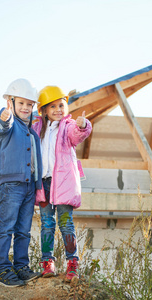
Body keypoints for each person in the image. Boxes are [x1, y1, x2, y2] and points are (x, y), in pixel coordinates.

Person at [32, 86, 92, 283]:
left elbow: (78, 135)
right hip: (44, 185)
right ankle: (47, 262)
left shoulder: (68, 126)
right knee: (47, 225)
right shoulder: (37, 128)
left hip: (64, 185)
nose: (58, 109)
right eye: (53, 106)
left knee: (66, 223)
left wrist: (83, 125)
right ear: (44, 110)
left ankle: (72, 263)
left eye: (61, 105)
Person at [0, 78, 43, 287]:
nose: (25, 108)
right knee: (6, 227)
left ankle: (21, 267)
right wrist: (4, 117)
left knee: (23, 230)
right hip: (11, 185)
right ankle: (2, 270)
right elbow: (4, 124)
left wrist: (38, 186)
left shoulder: (32, 132)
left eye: (29, 104)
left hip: (29, 186)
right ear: (10, 103)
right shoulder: (8, 125)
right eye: (20, 103)